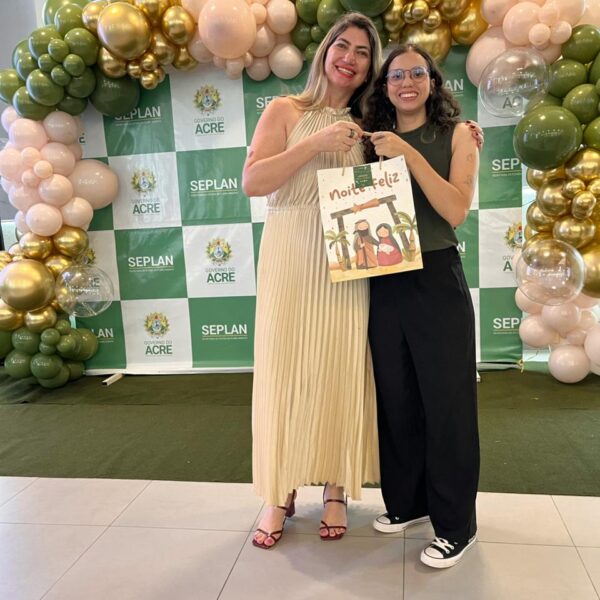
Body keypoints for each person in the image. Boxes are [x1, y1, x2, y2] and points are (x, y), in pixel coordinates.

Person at [242, 12, 382, 550]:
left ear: (370, 65)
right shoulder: (285, 109)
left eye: (363, 52)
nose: (350, 58)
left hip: (349, 255)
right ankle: (278, 492)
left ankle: (336, 487)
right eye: (342, 45)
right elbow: (254, 181)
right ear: (325, 51)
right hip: (289, 249)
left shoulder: (372, 120)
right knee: (283, 371)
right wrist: (314, 142)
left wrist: (460, 133)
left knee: (341, 368)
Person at [362, 45, 481, 569]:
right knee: (398, 398)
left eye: (417, 73)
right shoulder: (369, 139)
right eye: (395, 75)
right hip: (383, 278)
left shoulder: (457, 134)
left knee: (447, 404)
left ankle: (456, 526)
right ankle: (409, 502)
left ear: (432, 80)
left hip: (435, 278)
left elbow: (454, 210)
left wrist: (408, 156)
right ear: (384, 86)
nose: (406, 82)